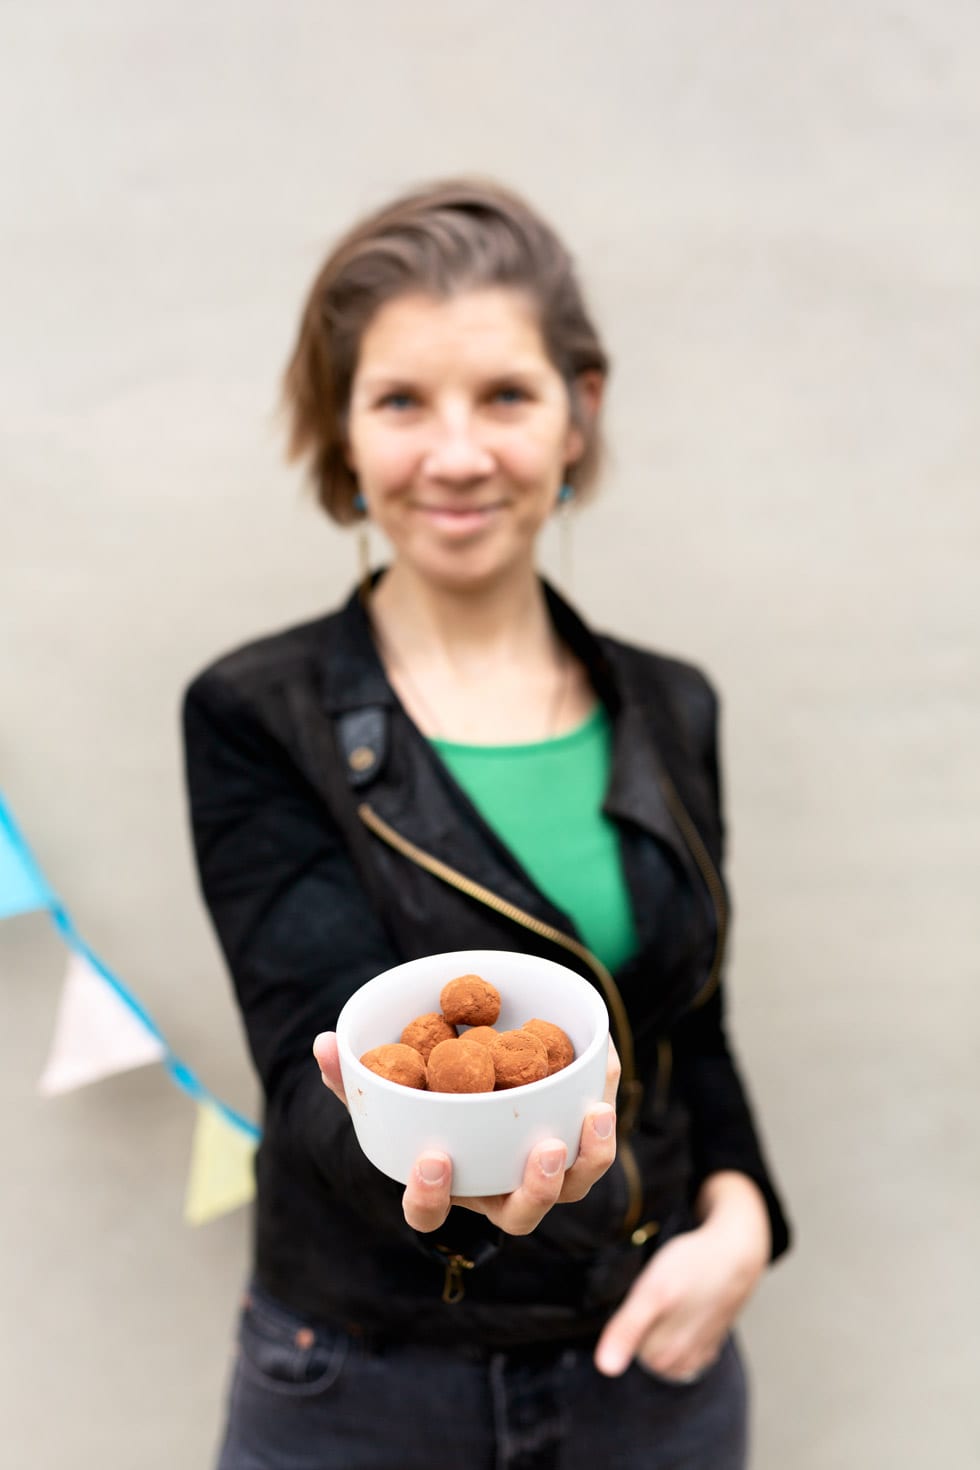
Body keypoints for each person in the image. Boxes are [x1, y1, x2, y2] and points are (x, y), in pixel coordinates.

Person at [182, 177, 791, 1470]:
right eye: (401, 400)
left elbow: (687, 1025)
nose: (456, 453)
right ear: (340, 431)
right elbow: (310, 1072)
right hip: (357, 1382)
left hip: (654, 1372)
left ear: (581, 411)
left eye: (505, 395)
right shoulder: (255, 712)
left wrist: (741, 1222)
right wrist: (452, 1190)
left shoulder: (669, 704)